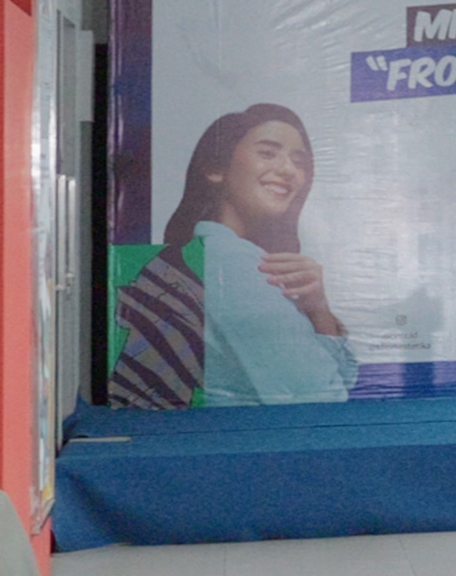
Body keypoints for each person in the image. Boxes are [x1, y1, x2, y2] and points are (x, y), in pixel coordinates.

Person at [106, 100, 357, 406]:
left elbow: (337, 382)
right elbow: (325, 398)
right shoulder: (235, 264)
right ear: (216, 168)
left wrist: (318, 309)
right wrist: (318, 314)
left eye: (299, 162)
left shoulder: (196, 255)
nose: (289, 170)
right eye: (267, 153)